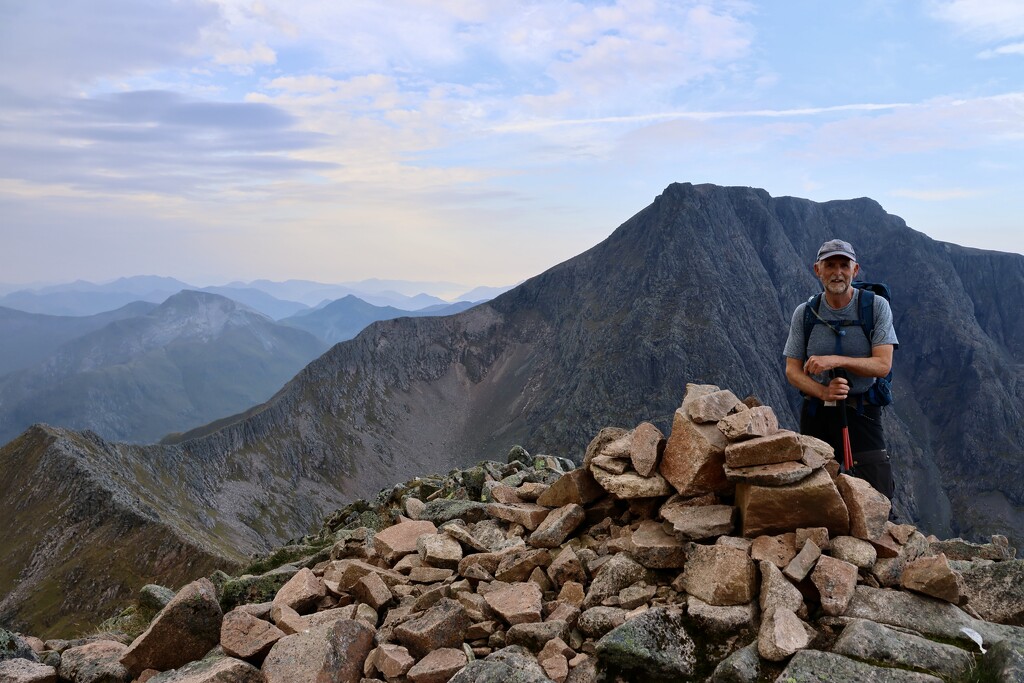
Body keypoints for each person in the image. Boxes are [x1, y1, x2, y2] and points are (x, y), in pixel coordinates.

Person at [783, 239, 898, 498]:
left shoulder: (875, 307)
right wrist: (824, 392)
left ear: (855, 270)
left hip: (863, 410)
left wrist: (836, 360)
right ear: (817, 270)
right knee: (817, 494)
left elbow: (882, 365)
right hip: (818, 413)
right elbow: (792, 370)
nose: (837, 272)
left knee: (877, 494)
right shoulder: (805, 313)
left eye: (844, 265)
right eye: (830, 265)